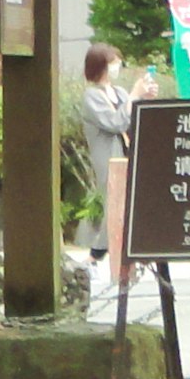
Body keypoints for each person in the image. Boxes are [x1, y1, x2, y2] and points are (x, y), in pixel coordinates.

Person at [76, 44, 132, 258]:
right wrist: (134, 97)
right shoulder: (92, 96)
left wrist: (144, 97)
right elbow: (115, 122)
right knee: (113, 204)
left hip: (128, 154)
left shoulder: (119, 92)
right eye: (113, 62)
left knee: (127, 205)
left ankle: (115, 257)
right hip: (109, 157)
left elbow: (133, 117)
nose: (117, 66)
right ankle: (96, 256)